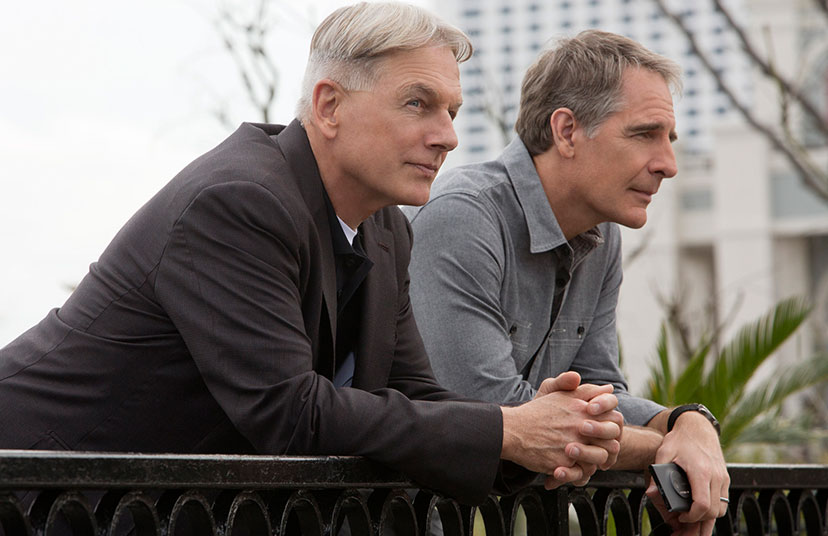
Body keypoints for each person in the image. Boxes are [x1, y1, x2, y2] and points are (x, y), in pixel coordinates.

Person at [0, 3, 624, 506]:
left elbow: (414, 394)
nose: (448, 136)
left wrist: (543, 434)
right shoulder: (238, 201)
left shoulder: (387, 229)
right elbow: (287, 411)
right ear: (329, 106)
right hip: (31, 485)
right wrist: (507, 430)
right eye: (418, 103)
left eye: (453, 112)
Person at [405, 29, 730, 532]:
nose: (668, 164)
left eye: (669, 139)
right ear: (567, 131)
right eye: (645, 134)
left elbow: (604, 390)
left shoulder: (601, 233)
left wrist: (690, 422)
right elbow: (495, 415)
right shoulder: (463, 217)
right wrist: (666, 444)